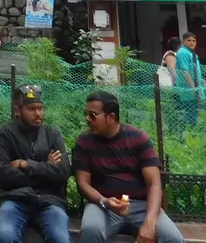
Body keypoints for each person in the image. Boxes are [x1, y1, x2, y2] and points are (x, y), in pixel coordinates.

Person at [74, 91, 185, 243]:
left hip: (141, 206)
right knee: (91, 230)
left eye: (92, 115)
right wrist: (105, 201)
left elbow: (154, 183)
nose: (87, 119)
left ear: (111, 117)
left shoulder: (137, 138)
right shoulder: (84, 142)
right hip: (103, 206)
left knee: (173, 238)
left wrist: (150, 222)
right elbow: (82, 183)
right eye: (85, 114)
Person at [0, 84, 71, 243]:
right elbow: (3, 175)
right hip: (15, 200)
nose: (38, 114)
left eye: (40, 108)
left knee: (60, 239)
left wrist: (26, 165)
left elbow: (63, 173)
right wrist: (46, 169)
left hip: (50, 201)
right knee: (5, 237)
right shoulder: (3, 134)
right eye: (32, 109)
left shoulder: (52, 134)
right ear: (17, 110)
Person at [174, 31, 202, 124]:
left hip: (196, 89)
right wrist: (193, 88)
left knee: (196, 114)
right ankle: (190, 134)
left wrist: (202, 82)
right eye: (189, 40)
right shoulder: (182, 52)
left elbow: (194, 71)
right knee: (191, 115)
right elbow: (185, 71)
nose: (191, 42)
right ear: (183, 42)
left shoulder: (191, 53)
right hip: (188, 90)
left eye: (194, 40)